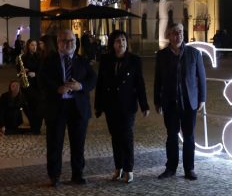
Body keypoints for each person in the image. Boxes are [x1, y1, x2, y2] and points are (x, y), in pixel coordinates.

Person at [38, 29, 96, 187]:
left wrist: (81, 86)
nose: (68, 44)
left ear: (75, 43)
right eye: (64, 41)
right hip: (57, 106)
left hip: (77, 107)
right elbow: (42, 79)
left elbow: (93, 79)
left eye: (71, 41)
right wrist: (57, 88)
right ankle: (54, 175)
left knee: (78, 143)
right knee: (54, 143)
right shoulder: (49, 60)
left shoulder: (82, 60)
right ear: (58, 43)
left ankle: (77, 174)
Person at [153, 22, 206, 180]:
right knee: (172, 136)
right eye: (175, 32)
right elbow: (158, 80)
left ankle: (189, 168)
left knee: (189, 136)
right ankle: (171, 167)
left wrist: (202, 98)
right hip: (170, 102)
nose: (178, 35)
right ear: (169, 35)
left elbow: (201, 78)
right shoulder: (162, 55)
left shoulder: (194, 53)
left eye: (181, 32)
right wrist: (157, 101)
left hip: (189, 102)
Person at [95, 30, 149, 184]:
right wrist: (98, 106)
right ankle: (118, 167)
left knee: (126, 136)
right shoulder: (105, 60)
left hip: (127, 106)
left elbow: (140, 84)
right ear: (112, 44)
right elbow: (100, 84)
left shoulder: (134, 60)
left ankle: (128, 169)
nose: (121, 43)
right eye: (118, 41)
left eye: (123, 40)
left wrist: (144, 105)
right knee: (115, 138)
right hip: (111, 106)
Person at [19, 38, 44, 134]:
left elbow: (42, 70)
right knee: (27, 106)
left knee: (37, 107)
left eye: (35, 45)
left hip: (37, 85)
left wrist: (35, 74)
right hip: (27, 84)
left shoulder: (40, 57)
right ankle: (33, 125)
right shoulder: (23, 57)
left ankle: (36, 127)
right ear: (28, 46)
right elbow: (19, 70)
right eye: (32, 45)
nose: (34, 47)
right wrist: (22, 71)